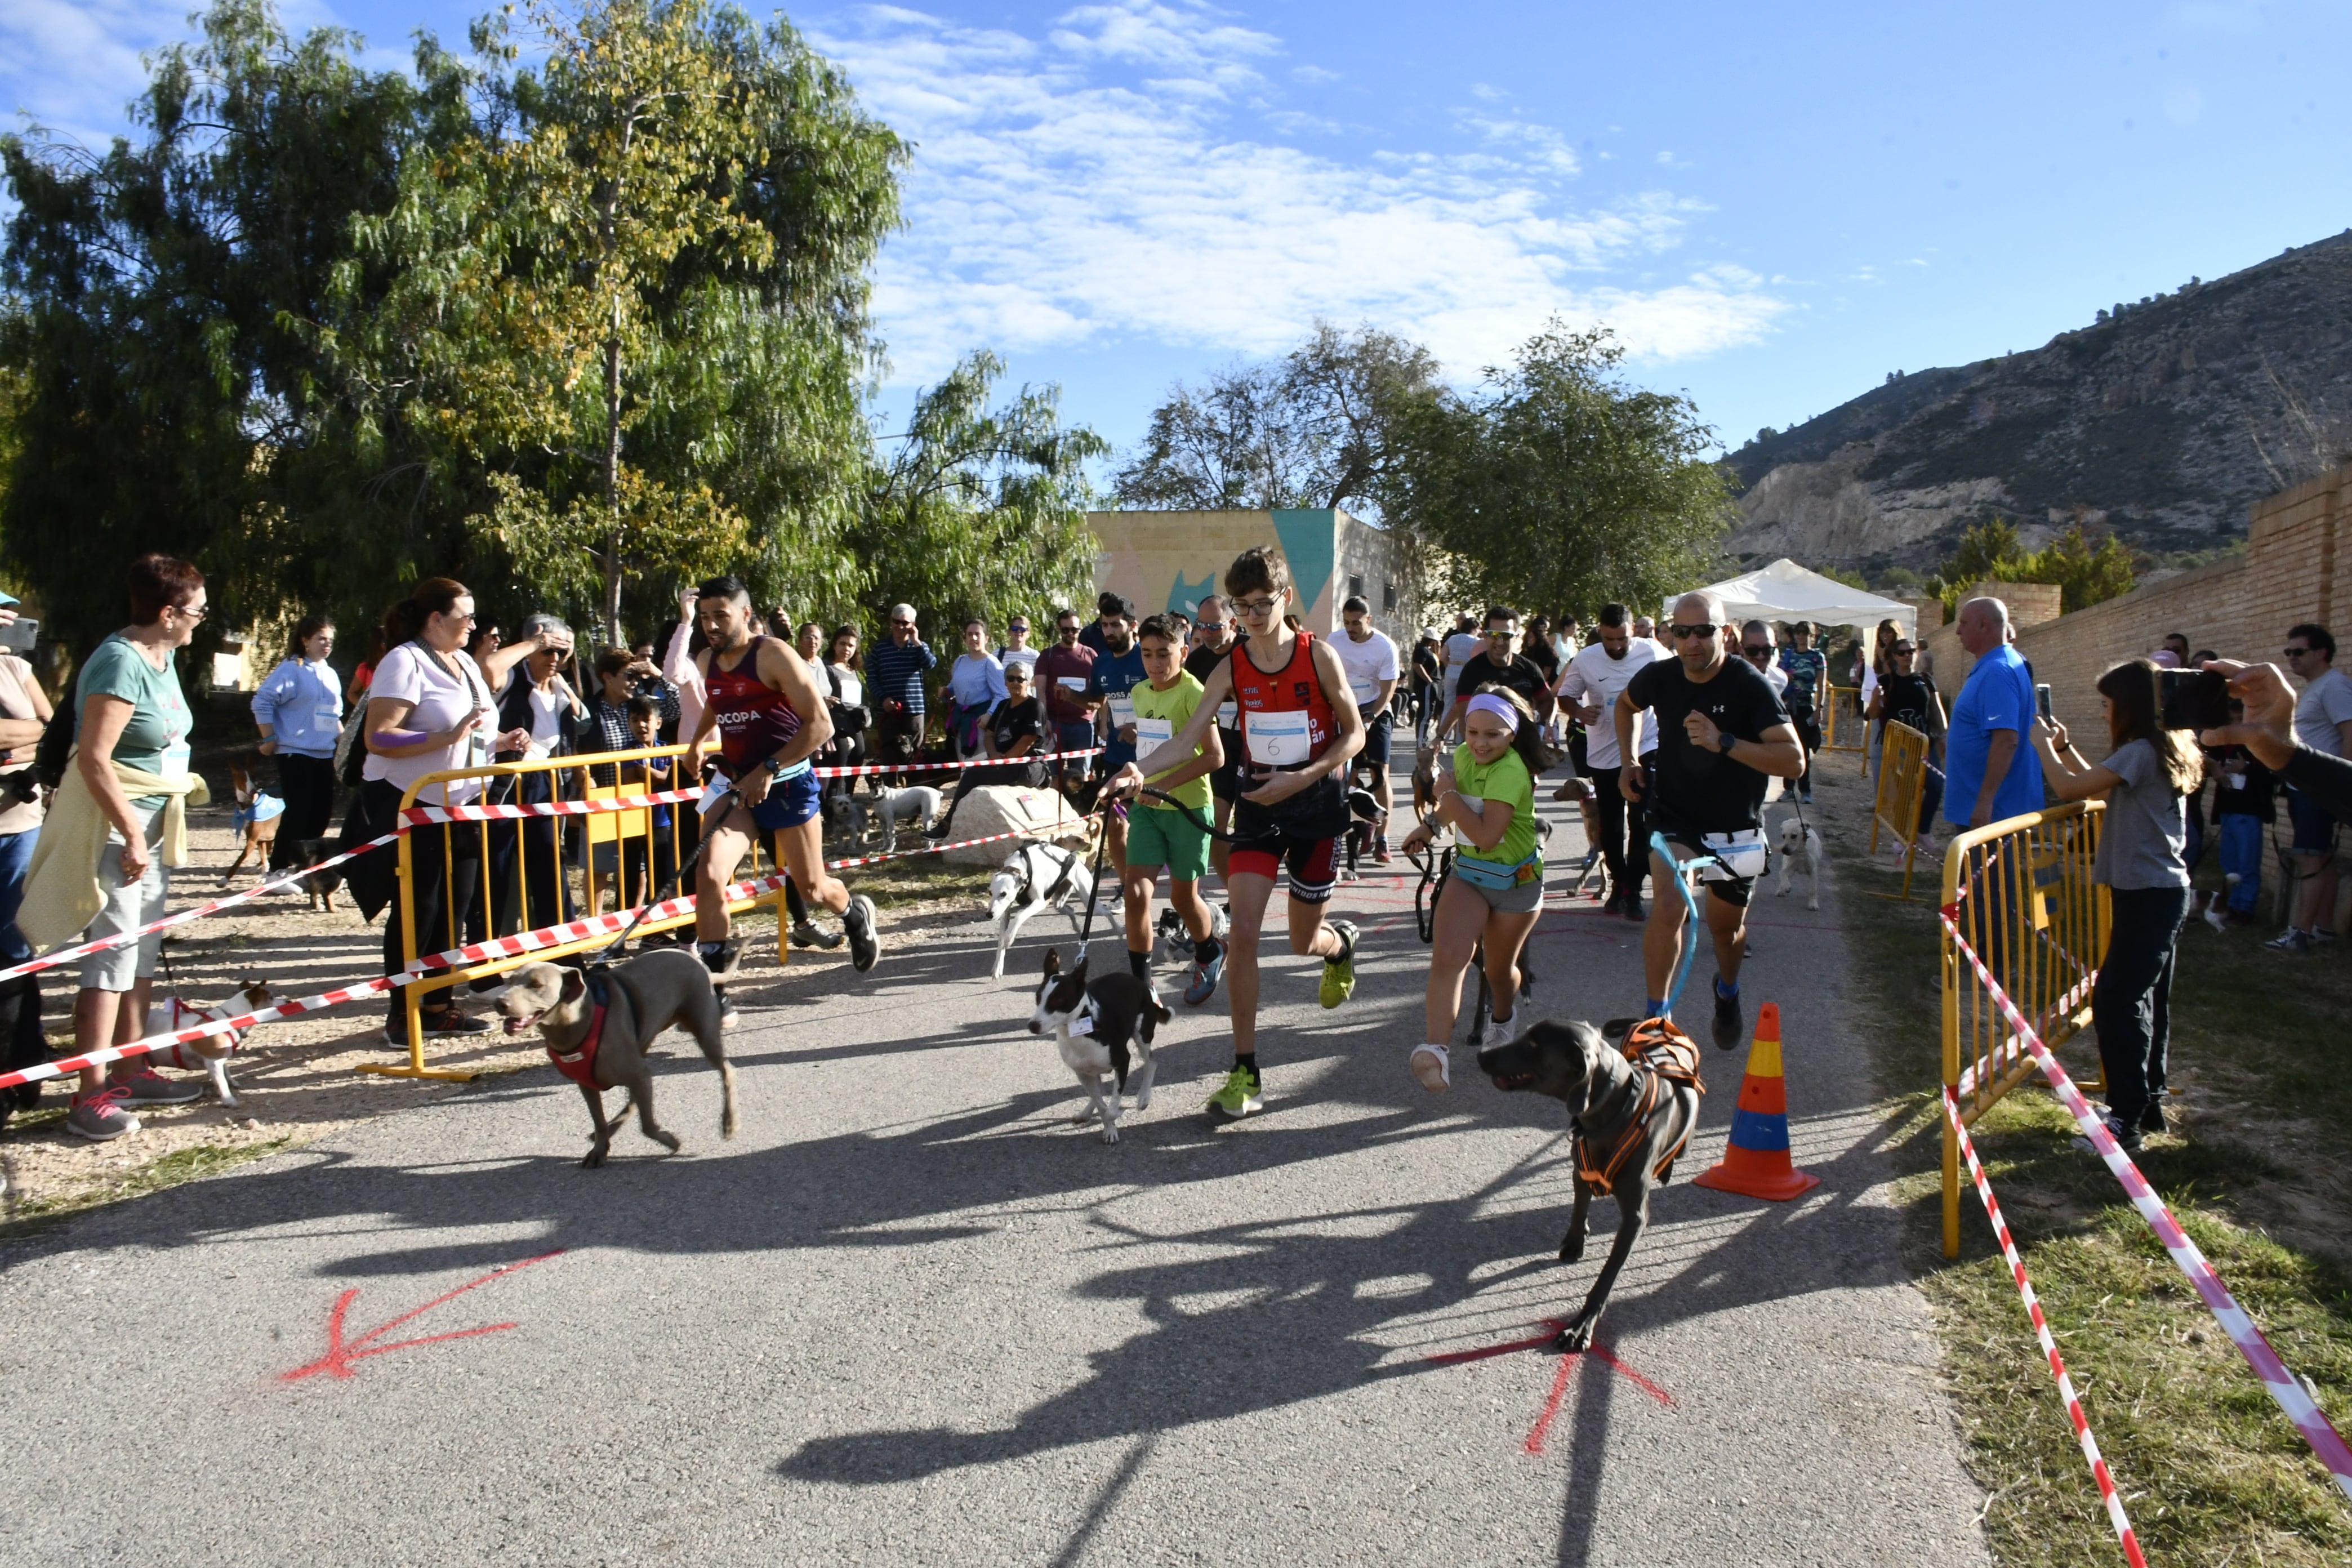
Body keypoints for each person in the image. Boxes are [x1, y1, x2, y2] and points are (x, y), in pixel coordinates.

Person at [1108, 546, 1366, 1120]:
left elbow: (1355, 735)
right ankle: (1246, 1071)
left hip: (1315, 809)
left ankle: (1339, 944)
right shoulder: (1231, 666)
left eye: (1262, 604)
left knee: (1302, 941)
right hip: (1257, 809)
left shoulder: (1318, 656)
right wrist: (1137, 770)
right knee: (1244, 934)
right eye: (1243, 607)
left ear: (1285, 599)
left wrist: (1305, 774)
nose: (1252, 616)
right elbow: (1183, 742)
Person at [24, 555, 211, 1139]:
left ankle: (133, 1067)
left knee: (141, 954)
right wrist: (131, 833)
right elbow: (93, 758)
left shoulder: (166, 655)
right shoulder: (118, 661)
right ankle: (89, 1095)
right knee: (108, 961)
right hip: (114, 830)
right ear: (168, 613)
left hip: (152, 824)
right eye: (198, 611)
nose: (203, 620)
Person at [686, 576, 879, 1024]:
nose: (712, 626)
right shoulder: (705, 659)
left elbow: (821, 726)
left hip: (787, 782)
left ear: (746, 615)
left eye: (722, 616)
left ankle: (853, 915)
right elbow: (718, 700)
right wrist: (698, 741)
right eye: (705, 617)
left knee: (813, 889)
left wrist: (768, 768)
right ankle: (716, 989)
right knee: (710, 870)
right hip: (736, 785)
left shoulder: (772, 654)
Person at [1616, 590, 1805, 1050]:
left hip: (1733, 824)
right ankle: (1656, 1021)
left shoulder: (1748, 684)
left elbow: (1794, 761)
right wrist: (1628, 761)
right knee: (1669, 906)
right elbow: (1624, 707)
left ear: (1725, 633)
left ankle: (1727, 991)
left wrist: (1725, 742)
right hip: (1674, 815)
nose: (1693, 642)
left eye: (1703, 631)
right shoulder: (1660, 676)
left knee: (1726, 931)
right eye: (1682, 632)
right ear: (1671, 635)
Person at [2028, 661, 2198, 1153]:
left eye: (2107, 706)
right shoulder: (2156, 748)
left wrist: (2042, 748)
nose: (2103, 715)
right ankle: (2145, 1106)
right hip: (2155, 893)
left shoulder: (2142, 751)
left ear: (2130, 707)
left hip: (2149, 895)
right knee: (2145, 1001)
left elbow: (2068, 789)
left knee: (2117, 1001)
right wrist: (2063, 748)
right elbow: (2100, 785)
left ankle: (2126, 1119)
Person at [350, 579, 528, 1043]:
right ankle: (401, 1014)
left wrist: (504, 740)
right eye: (464, 617)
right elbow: (379, 736)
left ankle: (438, 1005)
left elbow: (474, 726)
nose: (473, 624)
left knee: (457, 904)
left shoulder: (466, 661)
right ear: (435, 620)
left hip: (461, 799)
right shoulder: (403, 661)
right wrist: (443, 740)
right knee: (419, 906)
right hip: (408, 798)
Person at [1401, 687, 1548, 1092]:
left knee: (1499, 971)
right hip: (1469, 875)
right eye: (1472, 732)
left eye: (1493, 735)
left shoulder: (1511, 772)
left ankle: (1503, 1020)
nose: (1480, 743)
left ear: (1512, 735)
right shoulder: (1464, 757)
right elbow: (1457, 804)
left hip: (1516, 885)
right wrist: (1430, 827)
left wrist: (1445, 793)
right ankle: (1436, 1052)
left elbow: (1485, 834)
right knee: (1449, 957)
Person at [1108, 614, 1227, 1006]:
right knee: (1137, 892)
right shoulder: (1141, 691)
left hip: (1188, 808)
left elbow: (1214, 757)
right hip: (1147, 807)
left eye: (1164, 654)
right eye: (1147, 655)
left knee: (1182, 900)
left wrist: (1165, 788)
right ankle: (1141, 985)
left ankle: (1210, 951)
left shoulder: (1195, 692)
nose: (1155, 664)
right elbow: (1157, 743)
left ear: (1184, 652)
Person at [1556, 604, 1659, 919]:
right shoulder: (1586, 658)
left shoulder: (1654, 653)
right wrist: (1578, 712)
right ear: (1600, 632)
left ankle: (1635, 888)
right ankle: (1618, 881)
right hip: (1604, 751)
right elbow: (1565, 695)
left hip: (1646, 746)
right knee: (1611, 826)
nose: (1616, 646)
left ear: (1634, 632)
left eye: (1622, 640)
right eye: (1609, 639)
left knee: (1642, 821)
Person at [491, 615, 587, 932]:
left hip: (547, 782)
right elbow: (486, 671)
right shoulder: (510, 679)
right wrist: (532, 644)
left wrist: (563, 685)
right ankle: (493, 954)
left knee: (549, 867)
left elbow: (584, 724)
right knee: (501, 870)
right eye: (548, 651)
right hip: (507, 783)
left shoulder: (560, 688)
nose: (556, 659)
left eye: (563, 653)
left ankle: (560, 949)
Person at [2270, 623, 2352, 954]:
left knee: (2309, 857)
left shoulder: (2334, 686)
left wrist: (2344, 785)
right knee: (2322, 859)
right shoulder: (2318, 687)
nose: (2292, 658)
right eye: (2288, 652)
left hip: (2320, 789)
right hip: (2306, 788)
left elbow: (2350, 734)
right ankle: (2324, 929)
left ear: (2321, 653)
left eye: (2298, 652)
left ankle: (2299, 932)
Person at [250, 614, 343, 870]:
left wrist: (344, 744)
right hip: (295, 752)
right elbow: (262, 701)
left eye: (331, 640)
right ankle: (279, 868)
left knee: (320, 815)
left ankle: (306, 869)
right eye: (321, 639)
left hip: (324, 753)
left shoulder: (330, 674)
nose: (327, 644)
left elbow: (331, 714)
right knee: (298, 812)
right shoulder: (291, 669)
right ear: (305, 640)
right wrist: (269, 738)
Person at [1943, 598, 2042, 832]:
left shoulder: (1998, 671)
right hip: (1986, 807)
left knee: (1987, 870)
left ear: (1984, 625)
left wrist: (1985, 800)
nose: (1958, 631)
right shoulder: (1998, 665)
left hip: (1995, 812)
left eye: (1964, 623)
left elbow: (2006, 740)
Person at [926, 661, 1049, 839]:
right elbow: (989, 735)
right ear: (1005, 682)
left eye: (1020, 679)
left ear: (1028, 682)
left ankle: (947, 825)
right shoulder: (1003, 705)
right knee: (970, 771)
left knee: (973, 776)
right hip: (1001, 760)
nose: (1015, 682)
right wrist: (993, 755)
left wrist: (1004, 761)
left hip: (1028, 765)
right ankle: (956, 824)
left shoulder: (1035, 706)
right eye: (1011, 678)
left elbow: (1028, 740)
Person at [1332, 595, 1401, 861]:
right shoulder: (1334, 640)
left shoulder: (1385, 647)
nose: (1350, 628)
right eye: (1347, 622)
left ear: (1368, 620)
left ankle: (1382, 838)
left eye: (1356, 623)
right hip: (1345, 709)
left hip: (1376, 710)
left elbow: (1388, 692)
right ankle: (1351, 829)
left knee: (1380, 773)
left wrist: (1371, 716)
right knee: (1346, 772)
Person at [1186, 595, 1246, 883]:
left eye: (1214, 627)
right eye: (1202, 626)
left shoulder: (1251, 650)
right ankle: (1234, 894)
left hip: (1255, 753)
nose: (1207, 633)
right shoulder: (1197, 660)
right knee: (1217, 826)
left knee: (1250, 831)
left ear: (1232, 622)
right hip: (1220, 753)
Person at [1085, 598, 1146, 866]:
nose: (1109, 631)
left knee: (1146, 825)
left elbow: (1170, 705)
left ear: (1132, 626)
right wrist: (1071, 696)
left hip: (1150, 756)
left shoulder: (1148, 657)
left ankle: (1150, 883)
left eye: (1115, 625)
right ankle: (1125, 886)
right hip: (1116, 756)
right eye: (1104, 625)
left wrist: (1140, 727)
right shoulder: (1102, 663)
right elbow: (1097, 700)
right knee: (1115, 824)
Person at [1865, 637, 1949, 828]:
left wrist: (1944, 735)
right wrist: (1876, 698)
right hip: (1899, 744)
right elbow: (1872, 714)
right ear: (1895, 656)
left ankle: (1923, 830)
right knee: (1904, 791)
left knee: (1935, 786)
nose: (1907, 656)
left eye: (1911, 652)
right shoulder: (1887, 681)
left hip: (1924, 743)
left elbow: (1937, 708)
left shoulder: (1926, 680)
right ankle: (1901, 832)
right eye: (1902, 653)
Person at [1439, 607, 1553, 745]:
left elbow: (1547, 701)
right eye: (1494, 635)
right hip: (1485, 750)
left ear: (1516, 637)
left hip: (1523, 747)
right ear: (1485, 636)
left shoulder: (1529, 668)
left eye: (1506, 636)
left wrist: (1533, 717)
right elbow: (1464, 719)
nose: (1500, 642)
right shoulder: (1472, 670)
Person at [2206, 711, 2275, 926]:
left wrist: (2246, 769)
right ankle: (2231, 905)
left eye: (2237, 721)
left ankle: (2246, 908)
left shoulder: (2258, 746)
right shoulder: (2223, 746)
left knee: (2247, 863)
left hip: (2248, 812)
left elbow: (2272, 777)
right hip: (2228, 809)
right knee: (2229, 862)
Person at [863, 603, 936, 773]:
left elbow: (930, 664)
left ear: (913, 625)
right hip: (888, 713)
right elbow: (872, 679)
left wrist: (917, 642)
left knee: (915, 757)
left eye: (905, 623)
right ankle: (891, 793)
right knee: (889, 758)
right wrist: (883, 699)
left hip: (914, 712)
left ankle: (913, 794)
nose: (900, 627)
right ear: (891, 622)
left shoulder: (919, 647)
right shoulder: (880, 649)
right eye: (897, 622)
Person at [1037, 608, 1099, 799]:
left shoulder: (1091, 655)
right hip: (1055, 724)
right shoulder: (1047, 655)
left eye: (1074, 629)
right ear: (1059, 629)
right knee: (1053, 776)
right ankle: (1055, 816)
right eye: (1066, 630)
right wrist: (1044, 720)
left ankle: (1079, 814)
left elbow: (1100, 693)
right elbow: (1040, 691)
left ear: (1080, 630)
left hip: (1083, 724)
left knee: (1080, 777)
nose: (1070, 634)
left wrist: (1099, 722)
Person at [1776, 621, 1828, 805]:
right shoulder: (1788, 656)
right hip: (1789, 706)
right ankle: (1788, 788)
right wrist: (1785, 676)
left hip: (1806, 706)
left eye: (1805, 633)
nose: (1801, 636)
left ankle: (1805, 790)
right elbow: (1778, 678)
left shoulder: (1817, 657)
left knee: (1804, 750)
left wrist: (1819, 708)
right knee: (1788, 748)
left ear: (1812, 636)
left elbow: (1821, 684)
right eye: (1798, 632)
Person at [946, 620, 1010, 761]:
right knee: (963, 763)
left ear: (986, 638)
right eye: (970, 634)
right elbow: (955, 686)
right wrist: (946, 690)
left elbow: (1001, 694)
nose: (973, 638)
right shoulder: (960, 661)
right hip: (962, 721)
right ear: (965, 638)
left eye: (977, 634)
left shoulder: (991, 663)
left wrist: (989, 715)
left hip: (981, 723)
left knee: (978, 766)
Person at [1410, 629, 1444, 745]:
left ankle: (1423, 737)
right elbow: (1417, 666)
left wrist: (1437, 647)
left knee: (1429, 712)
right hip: (1426, 685)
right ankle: (1421, 739)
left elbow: (1438, 659)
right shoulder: (1421, 650)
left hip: (1432, 684)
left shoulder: (1428, 651)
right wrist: (1429, 681)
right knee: (1425, 713)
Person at [1077, 590, 1126, 656]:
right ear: (1099, 606)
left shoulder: (1124, 630)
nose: (1108, 609)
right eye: (1105, 606)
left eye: (1111, 606)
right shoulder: (1088, 633)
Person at [997, 616, 1041, 684]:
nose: (1019, 632)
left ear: (1028, 634)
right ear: (1009, 632)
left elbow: (1039, 680)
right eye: (1015, 629)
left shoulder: (1034, 656)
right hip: (1003, 694)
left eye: (1023, 629)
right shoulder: (998, 654)